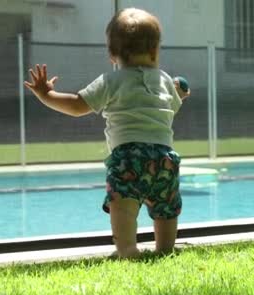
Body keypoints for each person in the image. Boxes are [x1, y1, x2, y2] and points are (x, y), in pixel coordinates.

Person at [24, 8, 190, 258]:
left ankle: (127, 249)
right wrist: (181, 94)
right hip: (165, 159)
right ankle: (165, 249)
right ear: (156, 51)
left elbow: (77, 105)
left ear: (112, 55)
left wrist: (46, 95)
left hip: (128, 158)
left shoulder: (111, 81)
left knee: (122, 206)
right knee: (166, 207)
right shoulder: (165, 80)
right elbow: (170, 107)